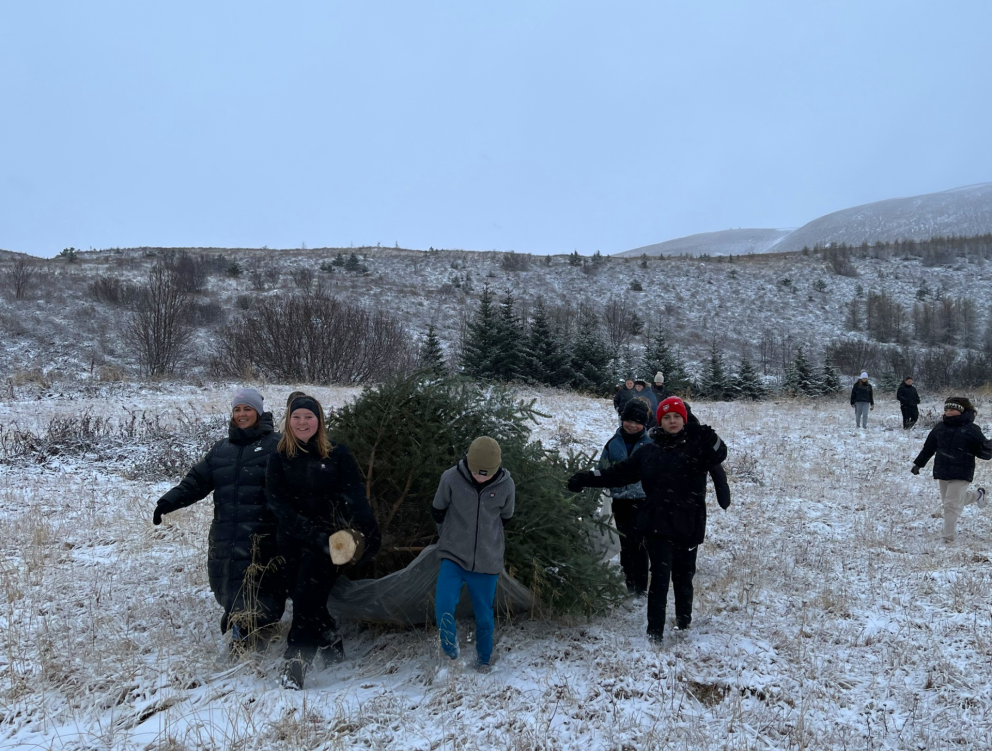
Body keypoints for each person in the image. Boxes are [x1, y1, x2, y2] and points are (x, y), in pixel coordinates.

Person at [567, 396, 728, 642]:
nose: (672, 421)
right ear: (659, 421)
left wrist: (709, 436)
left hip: (688, 524)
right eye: (667, 417)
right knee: (659, 580)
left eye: (677, 417)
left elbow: (719, 455)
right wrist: (586, 478)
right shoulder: (649, 452)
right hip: (657, 525)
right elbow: (617, 473)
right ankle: (654, 633)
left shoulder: (697, 447)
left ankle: (683, 623)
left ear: (684, 420)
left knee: (684, 578)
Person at [153, 387, 285, 649]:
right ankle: (241, 625)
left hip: (262, 532)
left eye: (248, 409)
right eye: (237, 409)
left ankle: (251, 628)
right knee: (228, 581)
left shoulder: (276, 446)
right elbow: (196, 482)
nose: (242, 414)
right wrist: (167, 502)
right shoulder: (222, 449)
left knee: (262, 582)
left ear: (259, 413)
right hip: (226, 532)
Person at [266, 395, 381, 689]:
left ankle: (296, 663)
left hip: (331, 542)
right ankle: (330, 639)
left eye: (309, 417)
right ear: (288, 421)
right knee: (303, 598)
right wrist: (309, 535)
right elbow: (279, 505)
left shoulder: (337, 454)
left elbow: (354, 495)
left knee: (306, 598)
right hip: (292, 539)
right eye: (296, 417)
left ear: (319, 421)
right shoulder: (279, 457)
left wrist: (369, 530)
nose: (302, 422)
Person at [432, 436, 515, 672]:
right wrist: (450, 536)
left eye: (486, 474)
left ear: (496, 469)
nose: (480, 477)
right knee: (443, 605)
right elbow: (438, 509)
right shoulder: (451, 478)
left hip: (487, 560)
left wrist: (486, 540)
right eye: (476, 472)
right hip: (453, 556)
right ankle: (451, 654)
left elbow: (506, 516)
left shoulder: (507, 485)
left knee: (484, 615)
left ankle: (484, 660)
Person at [911, 397, 991, 543]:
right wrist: (919, 464)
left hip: (962, 471)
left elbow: (982, 452)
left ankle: (948, 537)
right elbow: (929, 447)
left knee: (950, 505)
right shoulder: (940, 427)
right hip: (942, 470)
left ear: (961, 411)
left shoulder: (971, 429)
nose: (948, 412)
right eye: (946, 409)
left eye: (952, 409)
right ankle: (978, 495)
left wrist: (988, 446)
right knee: (953, 501)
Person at [599, 399, 652, 596]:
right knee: (625, 542)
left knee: (640, 543)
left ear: (644, 424)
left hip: (643, 500)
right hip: (620, 501)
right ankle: (630, 583)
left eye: (638, 422)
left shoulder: (650, 445)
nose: (632, 425)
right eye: (629, 420)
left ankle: (641, 587)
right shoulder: (613, 444)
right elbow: (602, 469)